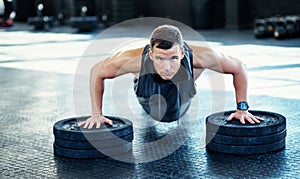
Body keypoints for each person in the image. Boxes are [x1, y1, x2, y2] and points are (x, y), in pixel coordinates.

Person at [79, 24, 264, 129]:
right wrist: (97, 114)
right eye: (160, 58)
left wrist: (242, 109)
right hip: (147, 99)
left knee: (198, 66)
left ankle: (189, 76)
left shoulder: (199, 56)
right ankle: (143, 79)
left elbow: (240, 67)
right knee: (142, 74)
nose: (167, 67)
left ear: (182, 52)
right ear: (151, 54)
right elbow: (96, 71)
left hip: (183, 97)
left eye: (174, 58)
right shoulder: (133, 60)